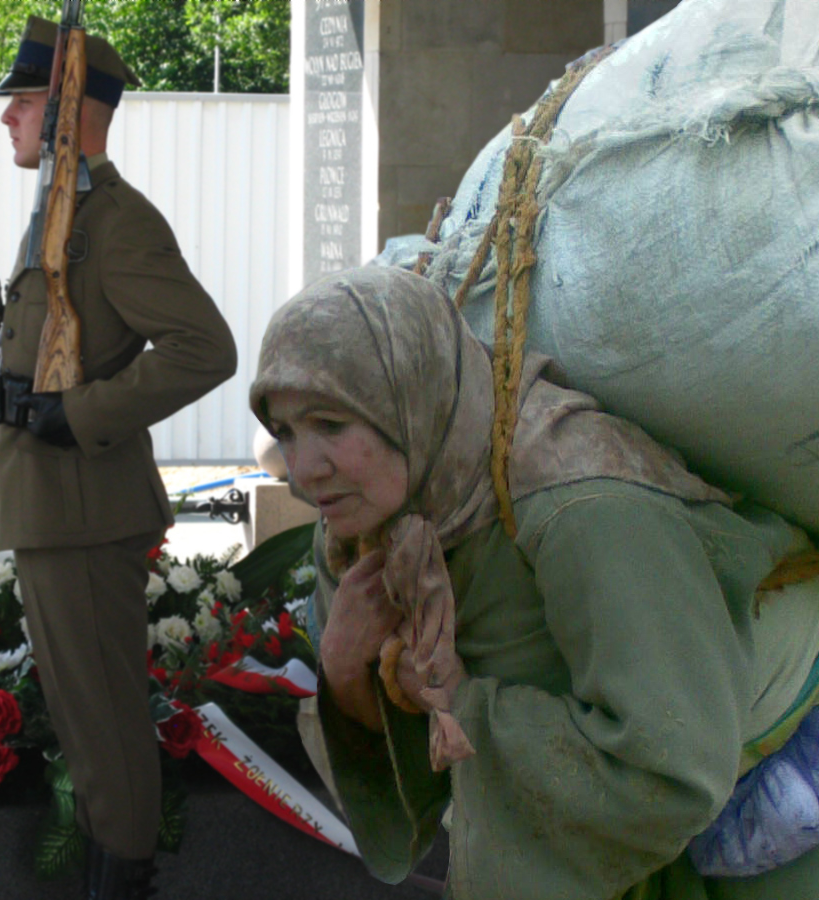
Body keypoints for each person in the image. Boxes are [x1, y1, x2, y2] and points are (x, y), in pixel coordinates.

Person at [249, 265, 819, 899]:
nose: (302, 471)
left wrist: (463, 705)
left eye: (330, 425)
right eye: (284, 433)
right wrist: (343, 669)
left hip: (766, 809)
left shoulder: (582, 504)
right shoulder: (367, 524)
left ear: (408, 395)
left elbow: (671, 769)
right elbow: (406, 765)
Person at [0, 17, 237, 900]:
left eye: (24, 98)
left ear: (68, 107)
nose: (9, 116)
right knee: (86, 725)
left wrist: (79, 413)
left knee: (105, 725)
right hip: (56, 508)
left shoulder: (114, 222)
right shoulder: (62, 215)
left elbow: (206, 347)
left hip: (86, 507)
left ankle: (121, 882)